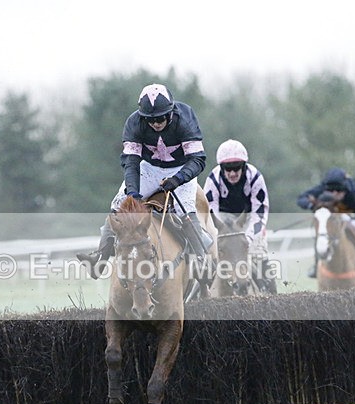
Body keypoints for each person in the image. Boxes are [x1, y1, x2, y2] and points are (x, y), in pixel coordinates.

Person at [77, 83, 213, 278]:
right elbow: (131, 163)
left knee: (185, 210)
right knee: (118, 205)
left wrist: (177, 179)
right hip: (149, 168)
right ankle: (100, 258)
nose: (156, 123)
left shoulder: (185, 118)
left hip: (181, 168)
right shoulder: (134, 123)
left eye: (160, 118)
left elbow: (198, 160)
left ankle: (202, 260)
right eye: (150, 120)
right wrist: (133, 193)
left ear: (170, 113)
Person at [203, 139, 275, 293]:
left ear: (244, 166)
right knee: (208, 257)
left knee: (258, 254)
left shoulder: (255, 177)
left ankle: (271, 294)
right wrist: (219, 235)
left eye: (236, 168)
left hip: (248, 219)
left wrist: (247, 237)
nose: (232, 173)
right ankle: (198, 292)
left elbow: (259, 212)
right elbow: (209, 213)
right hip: (221, 220)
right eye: (228, 169)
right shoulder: (213, 179)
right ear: (221, 168)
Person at [297, 167, 355, 277]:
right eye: (331, 191)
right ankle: (316, 265)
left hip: (351, 218)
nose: (334, 194)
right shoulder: (322, 187)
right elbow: (301, 199)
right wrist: (313, 206)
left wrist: (351, 216)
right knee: (322, 235)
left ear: (345, 188)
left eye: (339, 191)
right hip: (332, 219)